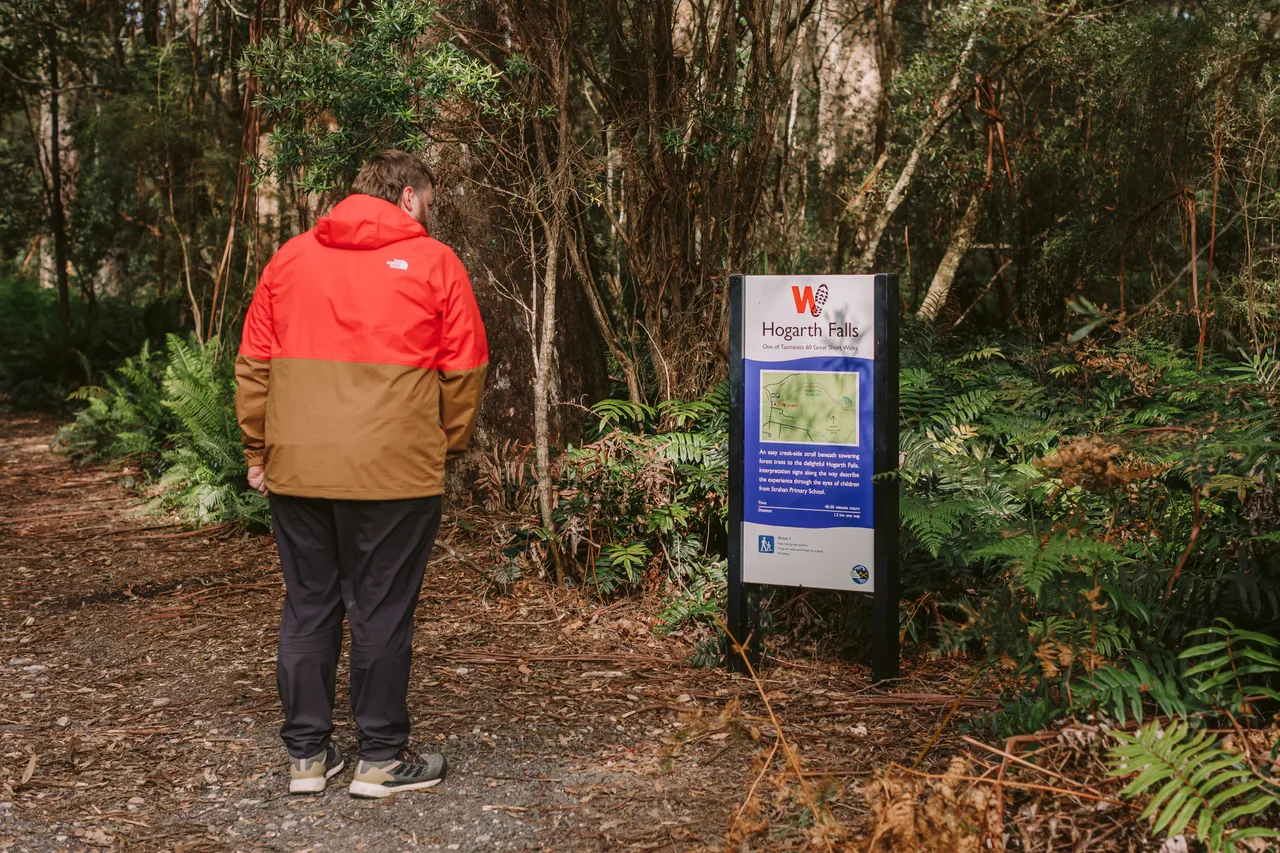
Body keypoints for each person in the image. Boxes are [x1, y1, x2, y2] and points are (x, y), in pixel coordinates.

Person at [234, 150, 488, 798]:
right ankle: (378, 757)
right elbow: (464, 371)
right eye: (427, 204)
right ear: (408, 195)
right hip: (395, 472)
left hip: (299, 468)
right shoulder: (435, 263)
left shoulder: (290, 259)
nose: (428, 217)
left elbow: (255, 364)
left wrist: (257, 451)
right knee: (379, 608)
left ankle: (308, 757)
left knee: (309, 602)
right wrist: (445, 448)